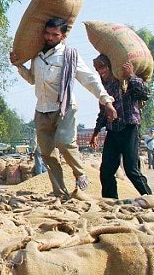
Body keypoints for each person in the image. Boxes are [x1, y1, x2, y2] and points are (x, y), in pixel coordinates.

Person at [10, 17, 117, 198]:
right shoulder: (37, 56)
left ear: (63, 35)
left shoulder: (70, 55)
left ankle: (79, 173)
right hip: (42, 110)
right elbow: (32, 79)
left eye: (55, 34)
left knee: (64, 142)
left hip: (64, 107)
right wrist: (18, 65)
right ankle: (59, 192)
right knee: (47, 154)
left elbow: (89, 79)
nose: (50, 38)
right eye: (47, 33)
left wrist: (106, 101)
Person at [89, 55, 153, 199]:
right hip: (113, 130)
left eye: (102, 67)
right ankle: (110, 202)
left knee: (131, 170)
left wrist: (131, 75)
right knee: (106, 170)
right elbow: (103, 113)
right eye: (97, 69)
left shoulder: (125, 81)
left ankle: (149, 197)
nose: (100, 71)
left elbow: (145, 94)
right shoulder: (104, 88)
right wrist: (95, 133)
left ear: (111, 66)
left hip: (130, 128)